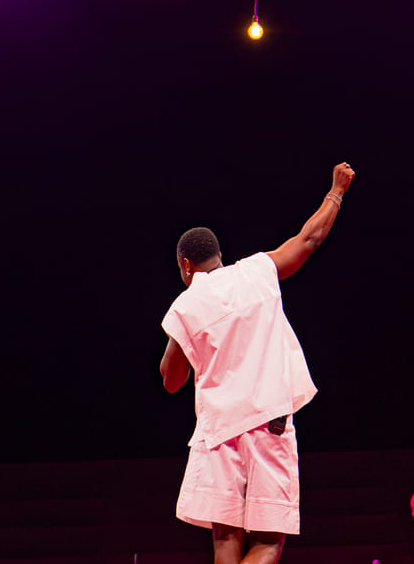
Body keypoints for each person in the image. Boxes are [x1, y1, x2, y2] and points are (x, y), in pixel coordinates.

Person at [159, 161, 355, 564]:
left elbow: (170, 379)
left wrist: (187, 333)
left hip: (218, 433)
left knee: (225, 540)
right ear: (220, 256)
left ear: (185, 265)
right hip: (268, 422)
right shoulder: (255, 271)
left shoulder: (187, 303)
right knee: (267, 541)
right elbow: (309, 239)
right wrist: (336, 192)